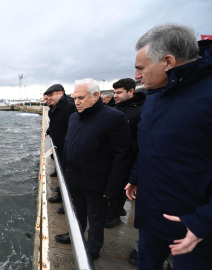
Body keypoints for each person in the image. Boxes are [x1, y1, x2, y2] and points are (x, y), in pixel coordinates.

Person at [125, 23, 212, 269]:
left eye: (140, 68)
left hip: (196, 231)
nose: (137, 76)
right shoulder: (154, 99)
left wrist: (203, 222)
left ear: (168, 62)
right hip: (152, 217)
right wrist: (136, 176)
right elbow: (149, 146)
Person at [56, 78, 133, 262]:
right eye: (75, 98)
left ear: (96, 95)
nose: (76, 102)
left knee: (96, 219)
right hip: (74, 178)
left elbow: (123, 156)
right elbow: (68, 146)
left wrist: (112, 189)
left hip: (97, 182)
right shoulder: (74, 117)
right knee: (76, 213)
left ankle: (93, 249)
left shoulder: (114, 118)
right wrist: (66, 175)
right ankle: (75, 236)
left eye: (81, 98)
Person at [104, 78, 146, 230]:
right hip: (114, 155)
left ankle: (114, 216)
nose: (115, 95)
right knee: (115, 183)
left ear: (131, 91)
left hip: (132, 156)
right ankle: (116, 209)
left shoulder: (142, 110)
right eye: (114, 92)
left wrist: (128, 148)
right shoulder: (114, 108)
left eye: (119, 92)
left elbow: (144, 136)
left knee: (122, 185)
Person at [44, 84, 75, 207]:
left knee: (67, 176)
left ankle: (67, 203)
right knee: (62, 174)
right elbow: (55, 124)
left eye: (51, 95)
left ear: (60, 93)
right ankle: (62, 194)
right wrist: (49, 130)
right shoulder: (54, 108)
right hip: (59, 147)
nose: (48, 99)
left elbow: (71, 129)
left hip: (66, 148)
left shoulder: (69, 108)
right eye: (47, 97)